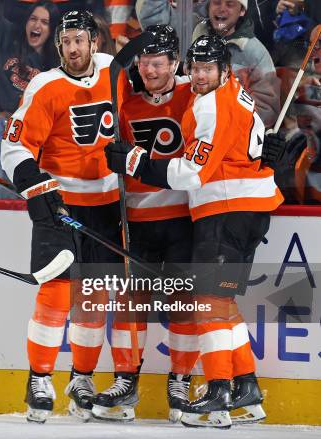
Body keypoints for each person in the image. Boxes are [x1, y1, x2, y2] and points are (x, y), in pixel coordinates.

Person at [105, 34, 283, 428]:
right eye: (197, 68)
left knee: (208, 305)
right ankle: (247, 387)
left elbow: (191, 173)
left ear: (225, 70)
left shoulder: (211, 105)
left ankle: (219, 390)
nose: (200, 76)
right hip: (247, 207)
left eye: (208, 69)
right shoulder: (236, 93)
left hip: (226, 209)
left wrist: (136, 161)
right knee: (222, 304)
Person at [1, 10, 123, 423]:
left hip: (107, 207)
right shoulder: (44, 85)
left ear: (95, 42)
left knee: (93, 298)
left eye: (80, 40)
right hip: (60, 206)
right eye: (66, 41)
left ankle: (82, 378)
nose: (73, 48)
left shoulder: (115, 71)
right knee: (55, 293)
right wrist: (38, 190)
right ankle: (38, 378)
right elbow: (14, 147)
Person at [91, 24, 197, 423]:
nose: (150, 70)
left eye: (158, 62)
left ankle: (181, 383)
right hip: (136, 219)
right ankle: (125, 381)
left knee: (183, 303)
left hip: (184, 220)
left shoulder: (195, 96)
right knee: (131, 303)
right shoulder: (126, 102)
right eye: (145, 62)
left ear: (175, 63)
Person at [137, 0, 281, 129]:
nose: (222, 8)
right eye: (217, 2)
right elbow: (153, 21)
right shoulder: (192, 29)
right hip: (178, 128)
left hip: (225, 140)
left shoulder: (255, 53)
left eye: (230, 4)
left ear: (242, 11)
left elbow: (266, 110)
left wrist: (221, 123)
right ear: (208, 7)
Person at [0, 0, 60, 198]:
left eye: (44, 22)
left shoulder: (54, 64)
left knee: (17, 200)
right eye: (33, 19)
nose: (37, 25)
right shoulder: (6, 37)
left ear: (52, 29)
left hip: (24, 137)